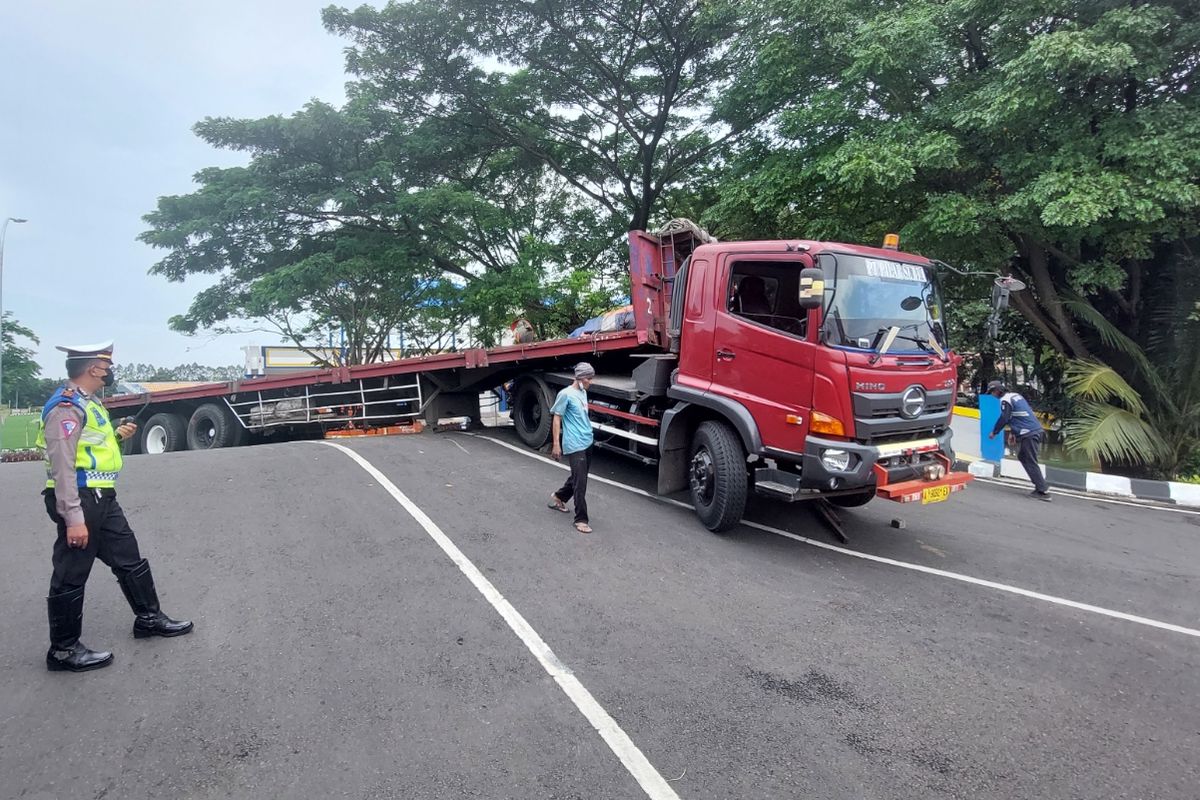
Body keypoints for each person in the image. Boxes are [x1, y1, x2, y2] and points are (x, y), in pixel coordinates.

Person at [36, 341, 193, 673]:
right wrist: (73, 517)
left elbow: (88, 447)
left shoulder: (87, 403)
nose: (110, 371)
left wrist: (117, 435)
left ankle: (149, 619)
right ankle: (63, 651)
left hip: (101, 495)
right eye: (107, 366)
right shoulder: (65, 406)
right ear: (94, 368)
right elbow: (64, 465)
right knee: (72, 571)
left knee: (129, 558)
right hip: (79, 497)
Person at [547, 362, 595, 533]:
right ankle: (580, 519)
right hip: (574, 444)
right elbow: (557, 418)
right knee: (580, 483)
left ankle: (559, 496)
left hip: (588, 441)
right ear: (581, 378)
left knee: (579, 476)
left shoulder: (582, 392)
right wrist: (556, 444)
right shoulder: (565, 394)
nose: (591, 381)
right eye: (589, 378)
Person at [986, 380, 1051, 501]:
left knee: (1029, 459)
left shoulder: (1005, 400)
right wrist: (1013, 433)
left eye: (992, 392)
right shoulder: (1016, 396)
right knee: (1023, 456)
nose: (992, 395)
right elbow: (1018, 416)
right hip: (1033, 431)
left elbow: (1005, 418)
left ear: (997, 391)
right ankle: (1040, 486)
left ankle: (1043, 490)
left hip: (1029, 433)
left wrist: (994, 432)